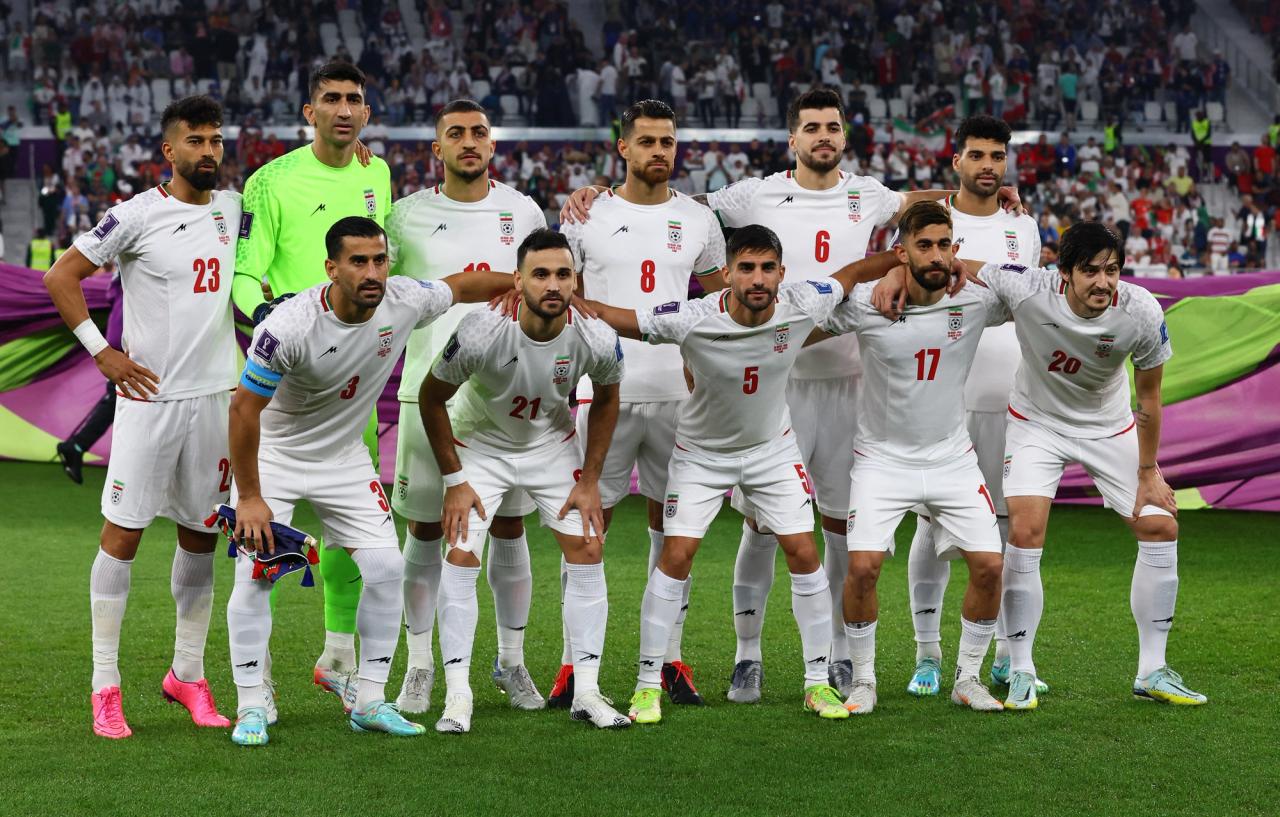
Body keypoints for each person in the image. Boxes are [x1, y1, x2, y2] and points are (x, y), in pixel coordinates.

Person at [583, 225, 912, 725]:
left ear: (782, 272)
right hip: (700, 455)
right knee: (676, 555)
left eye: (767, 268)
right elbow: (616, 317)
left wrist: (899, 262)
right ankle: (647, 686)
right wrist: (558, 296)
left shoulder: (802, 301)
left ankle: (817, 683)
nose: (757, 279)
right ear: (728, 275)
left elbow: (848, 274)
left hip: (771, 453)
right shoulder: (691, 317)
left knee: (804, 552)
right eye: (746, 268)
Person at [225, 217, 513, 746]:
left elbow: (463, 285)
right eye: (358, 261)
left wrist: (522, 284)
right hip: (277, 458)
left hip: (343, 460)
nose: (373, 271)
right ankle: (250, 705)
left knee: (385, 569)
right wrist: (249, 497)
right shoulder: (288, 328)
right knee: (257, 575)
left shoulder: (404, 299)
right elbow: (243, 411)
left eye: (379, 259)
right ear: (331, 268)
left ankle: (369, 700)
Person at [43, 96, 239, 739]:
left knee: (201, 534)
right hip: (148, 401)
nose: (209, 152)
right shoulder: (133, 216)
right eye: (197, 142)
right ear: (170, 150)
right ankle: (105, 684)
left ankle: (187, 674)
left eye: (215, 140)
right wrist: (104, 353)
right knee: (122, 535)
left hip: (215, 398)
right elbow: (61, 276)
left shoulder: (233, 208)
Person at [963, 222, 1207, 710]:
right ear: (1063, 273)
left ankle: (1152, 671)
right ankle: (1022, 669)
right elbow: (961, 266)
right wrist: (894, 273)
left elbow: (1151, 397)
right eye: (1090, 271)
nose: (1103, 282)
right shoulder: (1028, 286)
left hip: (1109, 427)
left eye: (1111, 270)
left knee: (1160, 527)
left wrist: (1148, 472)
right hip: (1036, 423)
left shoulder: (1139, 310)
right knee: (1025, 534)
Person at [422, 228, 631, 733]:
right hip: (481, 445)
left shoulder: (597, 335)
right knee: (461, 551)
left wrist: (591, 482)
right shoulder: (480, 330)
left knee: (587, 548)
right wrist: (454, 479)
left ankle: (587, 691)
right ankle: (458, 695)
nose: (553, 285)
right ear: (518, 280)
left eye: (563, 274)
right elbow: (432, 398)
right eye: (540, 274)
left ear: (574, 279)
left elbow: (607, 399)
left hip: (550, 446)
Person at [231, 60, 392, 708]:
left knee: (356, 537)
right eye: (332, 98)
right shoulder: (271, 182)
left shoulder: (376, 174)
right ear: (310, 111)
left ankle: (336, 657)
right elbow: (245, 274)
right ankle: (256, 682)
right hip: (284, 380)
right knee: (261, 544)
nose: (345, 109)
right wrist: (267, 315)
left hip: (350, 380)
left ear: (366, 111)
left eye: (355, 98)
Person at [556, 99, 725, 708]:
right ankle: (574, 664)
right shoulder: (584, 214)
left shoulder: (700, 220)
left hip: (680, 397)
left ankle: (670, 657)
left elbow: (717, 298)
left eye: (669, 141)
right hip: (602, 395)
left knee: (672, 528)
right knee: (582, 527)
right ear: (622, 147)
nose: (660, 151)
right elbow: (561, 291)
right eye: (648, 141)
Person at [386, 99, 548, 714]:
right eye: (455, 134)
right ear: (437, 149)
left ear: (492, 144)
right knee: (427, 527)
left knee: (508, 525)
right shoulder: (405, 218)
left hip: (507, 397)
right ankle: (421, 666)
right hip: (428, 393)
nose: (468, 142)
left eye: (479, 132)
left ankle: (511, 663)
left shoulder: (522, 210)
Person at [820, 201, 1007, 714]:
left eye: (945, 244)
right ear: (900, 251)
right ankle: (863, 681)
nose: (937, 254)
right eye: (923, 245)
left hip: (952, 458)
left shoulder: (976, 301)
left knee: (991, 566)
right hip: (882, 460)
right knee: (862, 568)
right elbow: (799, 323)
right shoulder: (865, 303)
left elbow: (1036, 289)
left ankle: (968, 678)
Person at [903, 116, 1042, 698]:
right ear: (954, 160)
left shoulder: (1024, 226)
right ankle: (927, 656)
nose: (989, 165)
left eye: (998, 156)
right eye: (977, 155)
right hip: (944, 397)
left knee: (1013, 532)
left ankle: (1011, 655)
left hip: (1011, 398)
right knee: (932, 527)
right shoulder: (932, 224)